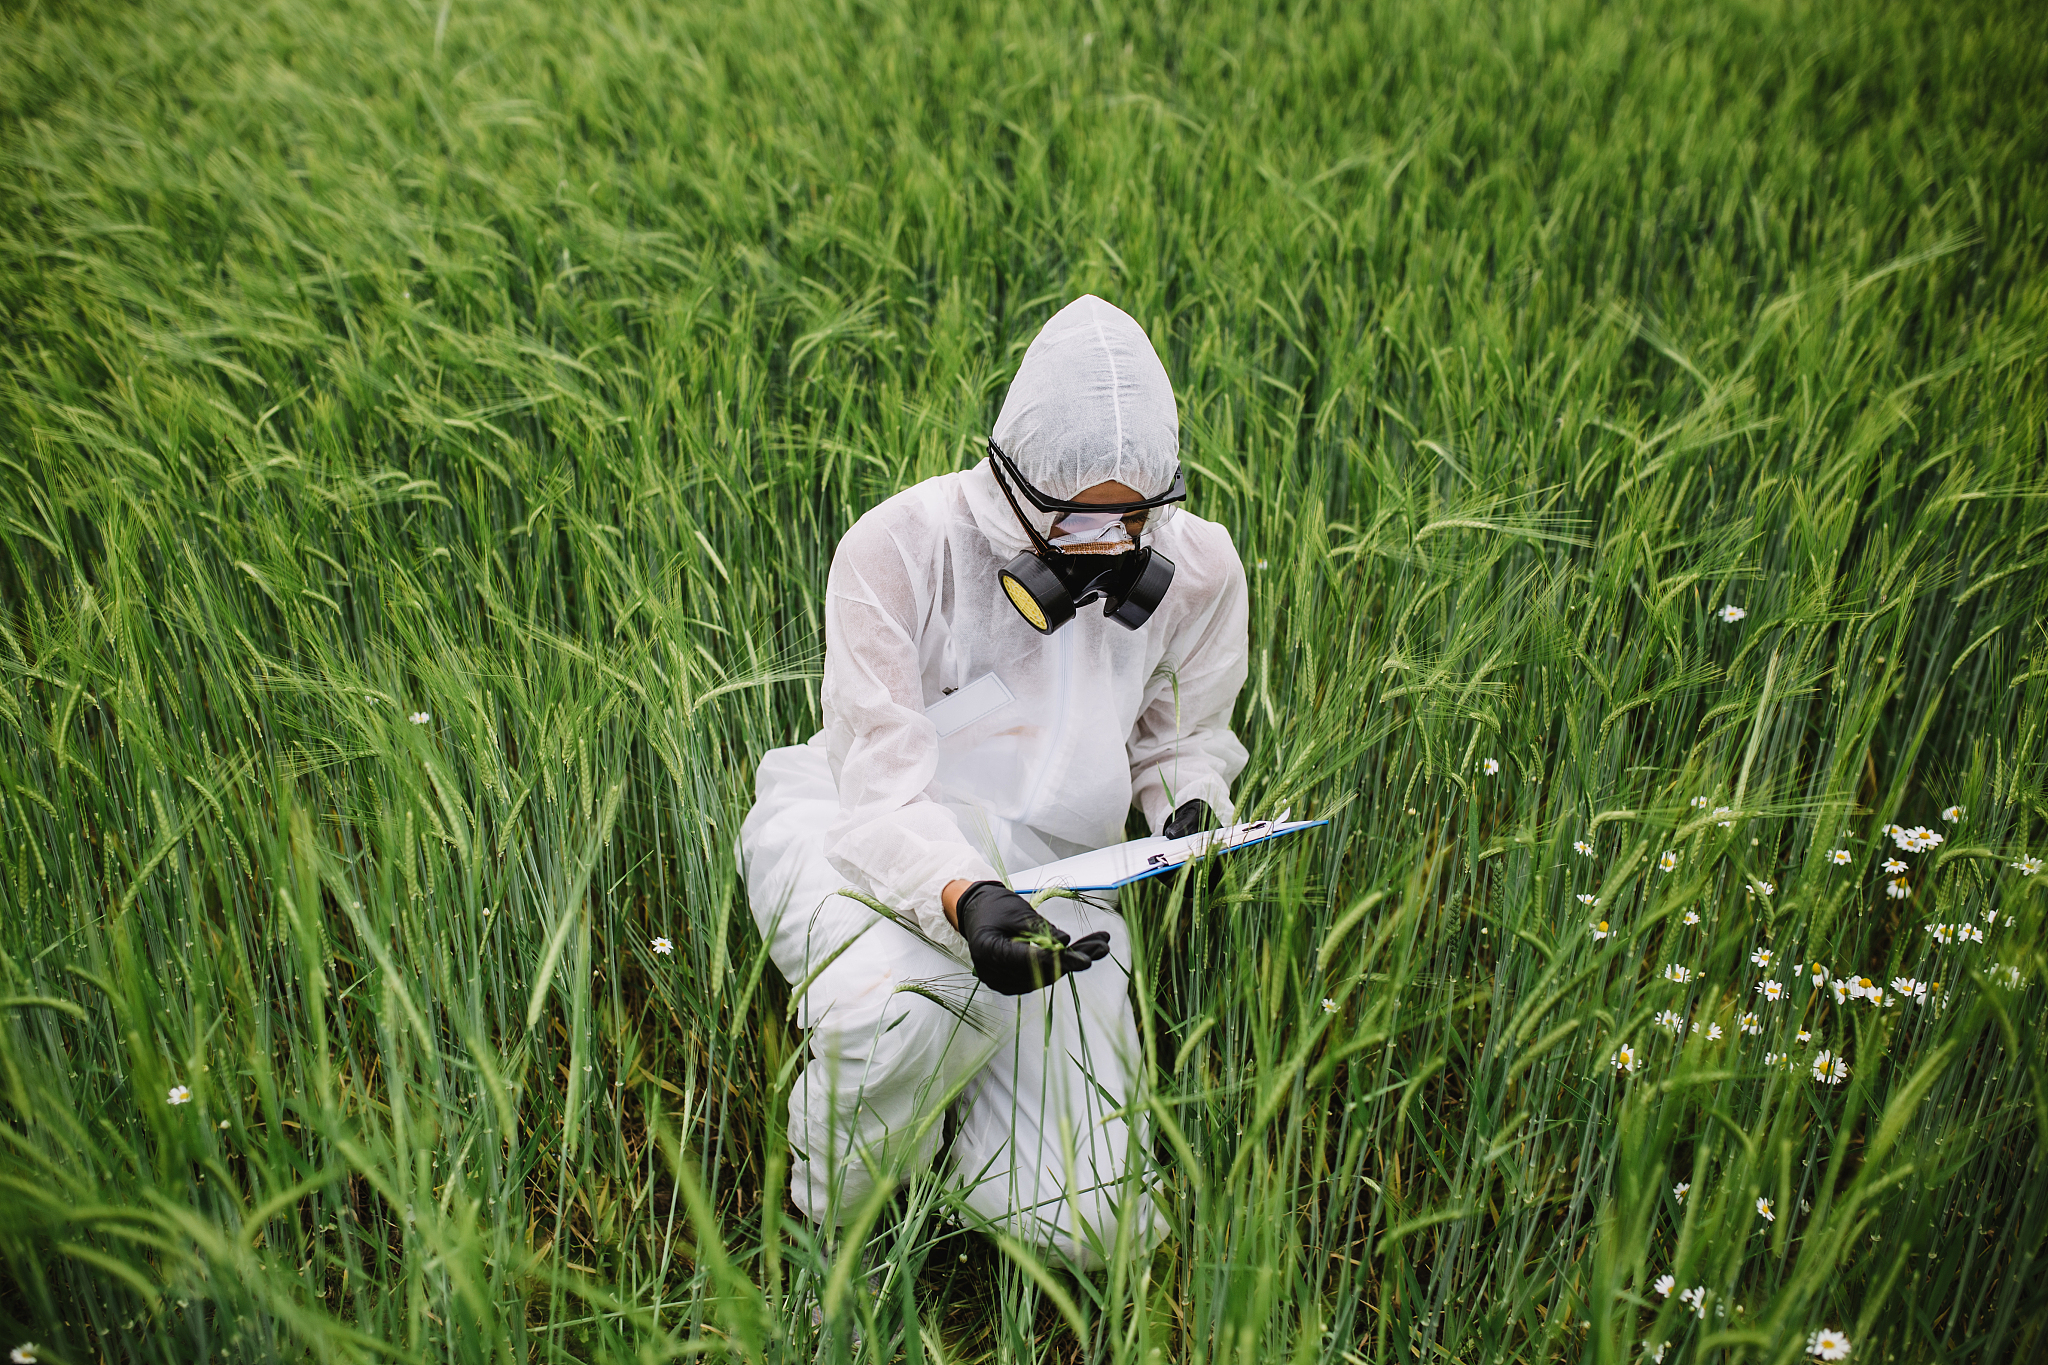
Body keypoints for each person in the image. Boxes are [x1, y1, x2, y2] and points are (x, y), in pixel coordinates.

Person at [739, 294, 1250, 1270]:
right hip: (862, 829)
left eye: (1129, 521)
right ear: (1011, 481)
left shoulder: (1197, 568)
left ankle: (948, 1135)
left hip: (1058, 866)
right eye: (1073, 522)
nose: (1104, 553)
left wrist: (1182, 807)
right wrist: (964, 898)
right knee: (904, 1004)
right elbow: (878, 791)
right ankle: (828, 1224)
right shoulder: (897, 550)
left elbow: (1185, 736)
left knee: (1086, 1220)